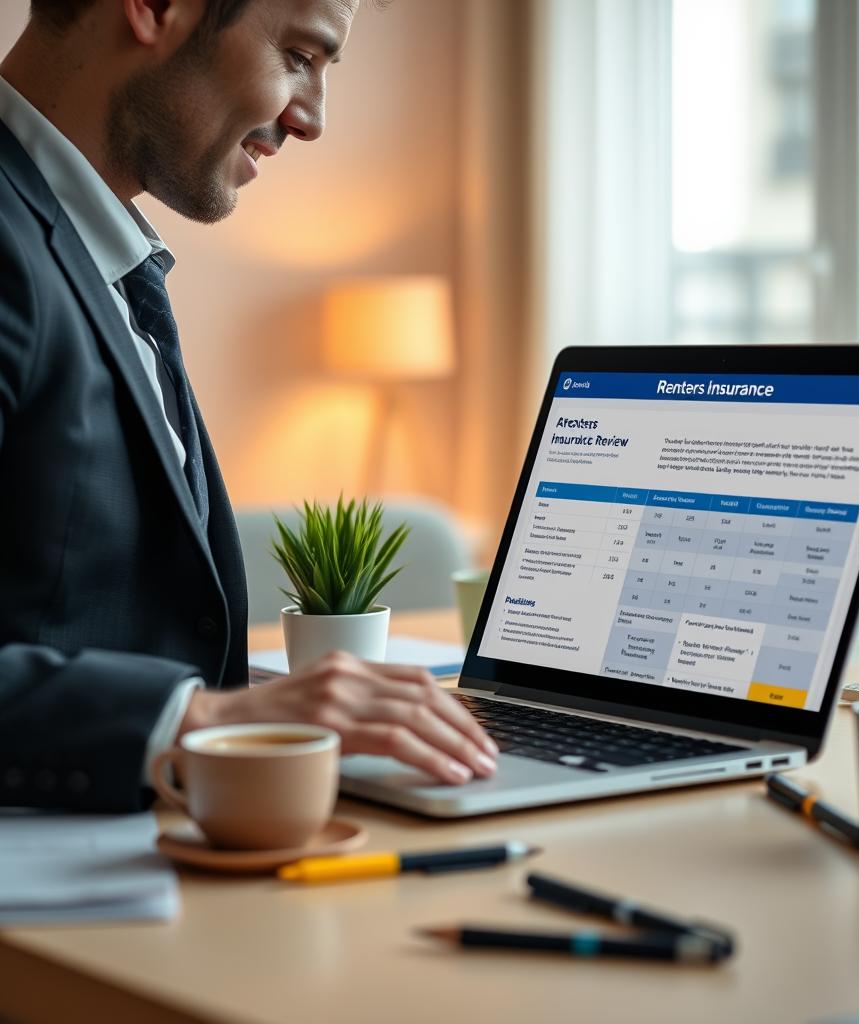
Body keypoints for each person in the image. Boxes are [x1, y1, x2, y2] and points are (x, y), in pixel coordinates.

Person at [0, 0, 498, 812]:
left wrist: (275, 708)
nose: (311, 120)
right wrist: (196, 721)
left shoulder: (94, 253)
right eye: (300, 55)